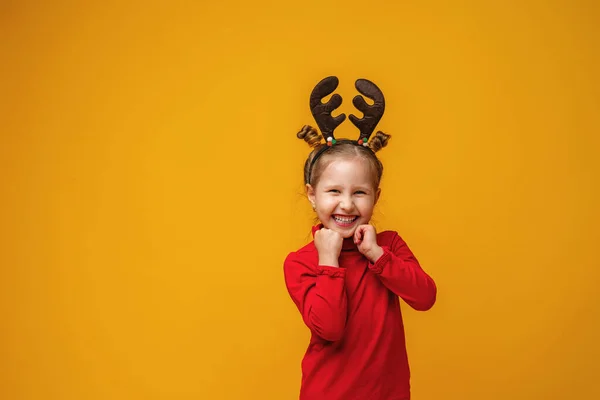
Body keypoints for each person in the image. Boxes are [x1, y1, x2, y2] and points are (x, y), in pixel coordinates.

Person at [283, 76, 437, 400]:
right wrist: (328, 260)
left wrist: (378, 256)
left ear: (376, 196)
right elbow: (330, 328)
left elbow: (425, 298)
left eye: (360, 192)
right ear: (312, 195)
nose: (347, 204)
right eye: (334, 191)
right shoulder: (300, 262)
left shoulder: (390, 247)